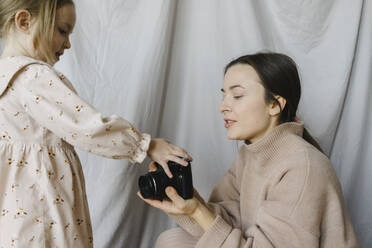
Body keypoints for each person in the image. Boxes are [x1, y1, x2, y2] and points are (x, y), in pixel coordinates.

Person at [0, 0, 191, 247]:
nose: (68, 43)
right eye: (62, 30)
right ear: (24, 22)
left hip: (13, 210)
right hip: (41, 208)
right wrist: (145, 144)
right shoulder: (33, 77)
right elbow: (87, 128)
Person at [138, 52, 360, 247]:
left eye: (237, 95)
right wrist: (188, 202)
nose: (223, 106)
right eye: (223, 95)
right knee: (172, 240)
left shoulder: (303, 167)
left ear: (275, 104)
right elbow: (227, 222)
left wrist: (197, 211)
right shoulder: (251, 155)